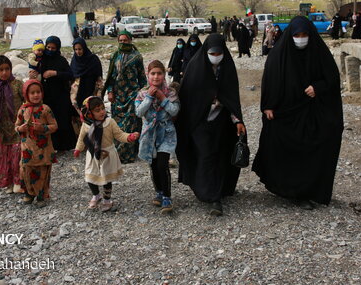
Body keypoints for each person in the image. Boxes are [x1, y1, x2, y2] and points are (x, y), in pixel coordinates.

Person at [252, 16, 343, 210]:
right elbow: (269, 80)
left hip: (311, 111)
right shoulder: (279, 55)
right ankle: (287, 189)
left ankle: (306, 191)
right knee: (284, 149)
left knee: (312, 147)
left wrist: (318, 87)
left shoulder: (319, 53)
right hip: (285, 112)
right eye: (296, 35)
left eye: (304, 35)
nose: (301, 38)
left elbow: (332, 79)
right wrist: (267, 105)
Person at [175, 34, 246, 216]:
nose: (216, 55)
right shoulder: (195, 68)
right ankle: (211, 196)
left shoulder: (227, 70)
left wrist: (237, 120)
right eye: (212, 52)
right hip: (199, 123)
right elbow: (189, 98)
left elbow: (232, 99)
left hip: (222, 124)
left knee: (220, 156)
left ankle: (220, 189)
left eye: (219, 52)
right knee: (206, 155)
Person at [74, 97, 139, 211]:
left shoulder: (109, 122)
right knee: (90, 176)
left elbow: (119, 135)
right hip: (93, 154)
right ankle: (96, 195)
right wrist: (78, 149)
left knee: (107, 179)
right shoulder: (86, 124)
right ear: (89, 113)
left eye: (103, 108)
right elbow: (81, 138)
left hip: (107, 154)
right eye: (97, 110)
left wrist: (129, 137)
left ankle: (107, 199)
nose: (102, 112)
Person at [135, 60, 181, 214]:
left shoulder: (171, 93)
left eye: (159, 73)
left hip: (166, 133)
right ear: (148, 75)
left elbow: (174, 111)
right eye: (152, 73)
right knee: (153, 165)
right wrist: (148, 98)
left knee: (162, 164)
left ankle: (167, 197)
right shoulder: (142, 93)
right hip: (149, 135)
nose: (156, 77)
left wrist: (162, 97)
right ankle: (159, 192)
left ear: (164, 75)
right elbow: (139, 112)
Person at [104, 31, 147, 163]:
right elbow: (111, 77)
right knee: (117, 126)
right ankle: (118, 153)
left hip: (132, 96)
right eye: (120, 41)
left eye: (125, 40)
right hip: (117, 97)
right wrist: (110, 91)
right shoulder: (115, 56)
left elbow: (142, 79)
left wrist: (141, 95)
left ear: (130, 41)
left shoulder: (137, 57)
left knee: (130, 125)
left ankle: (128, 155)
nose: (123, 43)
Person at [29, 36, 76, 151]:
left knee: (63, 120)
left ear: (58, 48)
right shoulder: (41, 59)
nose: (50, 50)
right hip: (46, 96)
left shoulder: (61, 60)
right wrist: (32, 75)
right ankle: (51, 146)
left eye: (53, 48)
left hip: (61, 96)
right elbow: (34, 70)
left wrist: (55, 73)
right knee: (48, 120)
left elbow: (70, 75)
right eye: (48, 47)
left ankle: (66, 146)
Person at [15, 79, 58, 205]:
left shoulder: (46, 109)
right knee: (26, 170)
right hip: (27, 147)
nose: (35, 95)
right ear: (26, 95)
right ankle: (29, 193)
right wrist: (20, 128)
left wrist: (43, 128)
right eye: (32, 93)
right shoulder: (23, 110)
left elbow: (54, 126)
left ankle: (40, 196)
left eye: (38, 92)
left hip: (43, 148)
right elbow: (16, 125)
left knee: (42, 171)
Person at [0, 56, 24, 194]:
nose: (4, 73)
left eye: (7, 69)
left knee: (17, 155)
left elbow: (26, 102)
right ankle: (8, 183)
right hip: (2, 128)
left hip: (17, 127)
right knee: (4, 157)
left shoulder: (17, 84)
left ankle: (18, 182)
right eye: (0, 70)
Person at [70, 37, 103, 111]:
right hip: (78, 93)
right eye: (76, 49)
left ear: (84, 48)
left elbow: (99, 78)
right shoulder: (74, 60)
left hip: (91, 90)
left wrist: (99, 93)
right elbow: (72, 77)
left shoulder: (93, 59)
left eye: (80, 49)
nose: (78, 52)